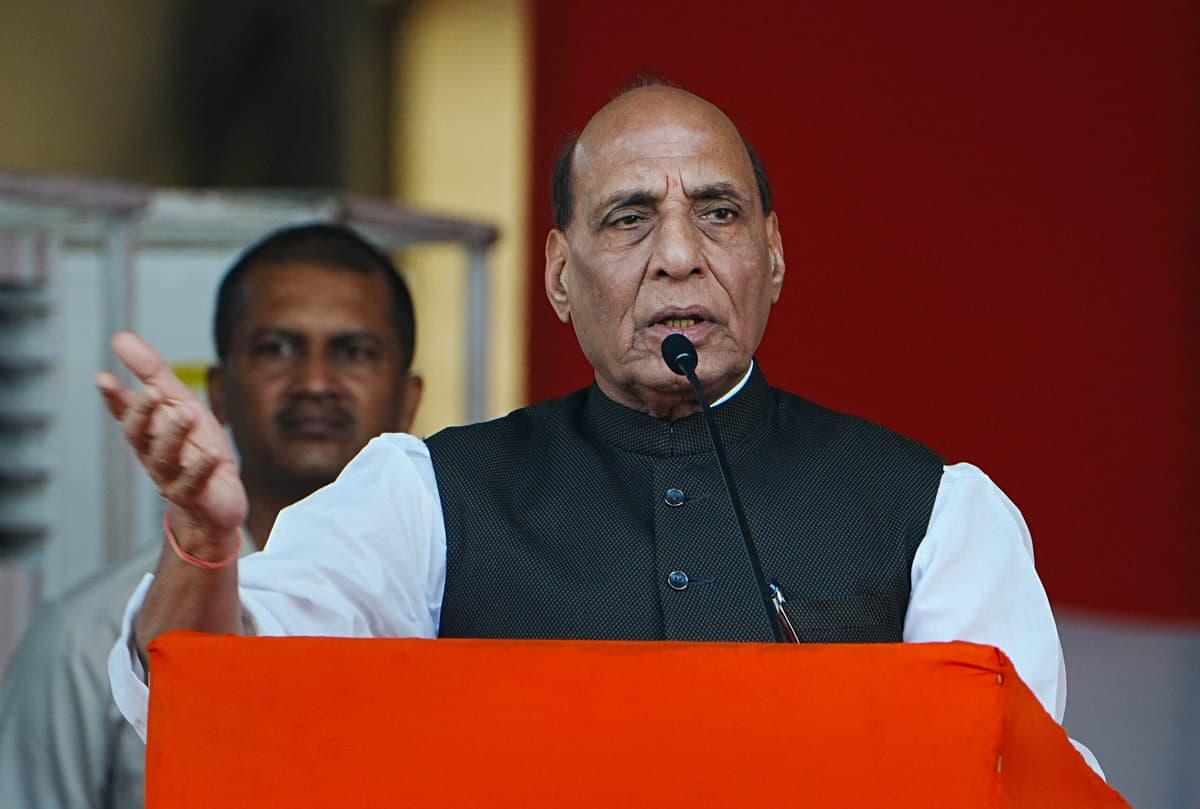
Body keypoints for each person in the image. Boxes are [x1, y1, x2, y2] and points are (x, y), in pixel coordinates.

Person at [103, 85, 1100, 772]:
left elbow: (1016, 772)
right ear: (558, 274)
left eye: (719, 214)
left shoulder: (933, 512)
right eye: (629, 217)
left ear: (773, 255)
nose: (678, 254)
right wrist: (204, 543)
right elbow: (214, 691)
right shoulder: (428, 496)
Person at [0, 222, 423, 809]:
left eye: (353, 352)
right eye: (276, 349)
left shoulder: (451, 611)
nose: (315, 383)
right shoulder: (85, 637)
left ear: (409, 398)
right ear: (219, 390)